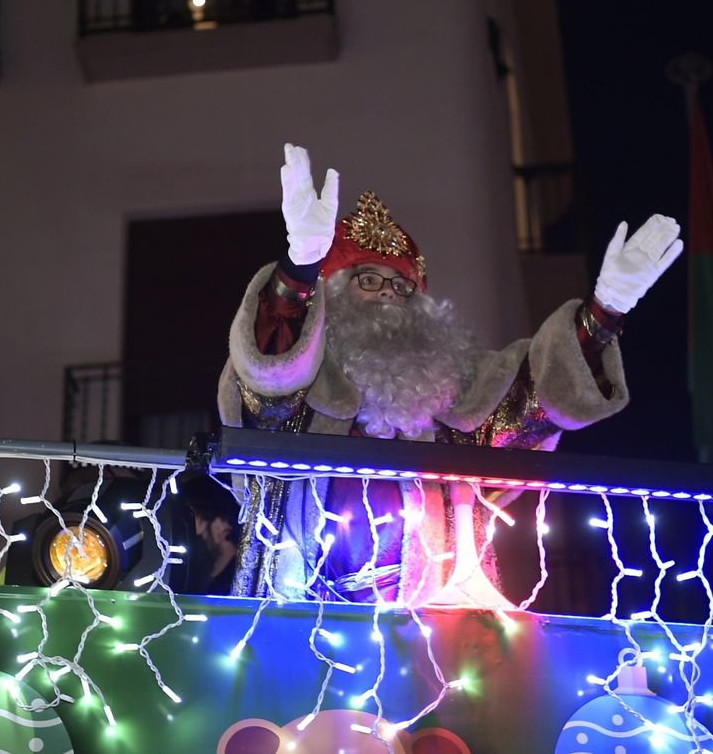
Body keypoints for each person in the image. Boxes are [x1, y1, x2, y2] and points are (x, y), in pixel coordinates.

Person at [218, 145, 683, 606]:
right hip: (303, 618)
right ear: (331, 296)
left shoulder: (452, 397)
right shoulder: (302, 389)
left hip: (432, 633)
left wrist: (603, 313)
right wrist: (299, 269)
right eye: (368, 280)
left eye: (403, 287)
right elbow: (267, 378)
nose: (389, 296)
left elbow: (538, 399)